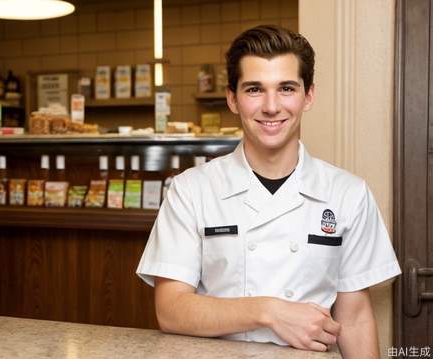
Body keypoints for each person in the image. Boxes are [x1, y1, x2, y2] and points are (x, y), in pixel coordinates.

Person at [136, 25, 400, 358]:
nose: (272, 106)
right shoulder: (191, 190)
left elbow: (356, 317)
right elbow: (171, 310)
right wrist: (270, 312)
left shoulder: (349, 193)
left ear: (309, 96)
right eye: (255, 89)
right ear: (233, 99)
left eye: (287, 88)